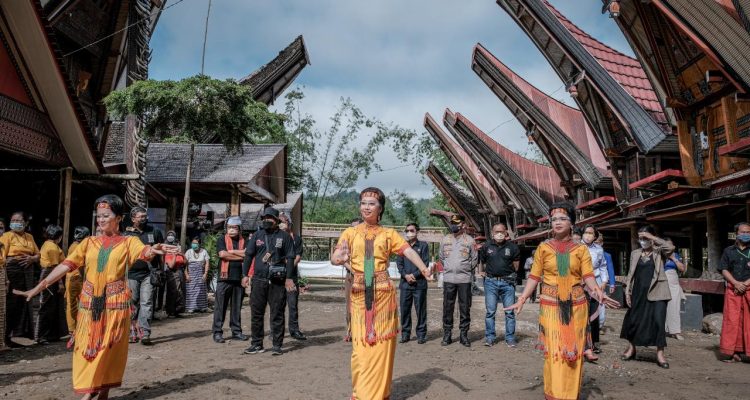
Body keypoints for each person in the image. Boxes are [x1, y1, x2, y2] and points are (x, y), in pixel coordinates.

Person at [13, 194, 176, 400]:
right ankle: (91, 389)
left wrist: (154, 248)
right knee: (87, 348)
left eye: (105, 215)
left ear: (118, 218)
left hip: (115, 305)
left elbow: (144, 252)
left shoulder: (128, 242)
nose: (100, 220)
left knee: (109, 349)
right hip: (89, 305)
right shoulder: (88, 243)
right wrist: (40, 286)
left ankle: (101, 392)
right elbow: (66, 265)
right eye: (98, 216)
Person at [504, 202, 617, 400]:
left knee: (573, 352)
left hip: (577, 305)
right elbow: (534, 277)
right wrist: (522, 297)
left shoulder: (581, 250)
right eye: (554, 219)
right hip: (550, 305)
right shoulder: (543, 248)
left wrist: (598, 291)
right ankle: (554, 395)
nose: (557, 222)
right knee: (555, 352)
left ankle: (570, 395)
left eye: (562, 218)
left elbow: (588, 276)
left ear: (572, 223)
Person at [331, 187, 431, 400]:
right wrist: (337, 258)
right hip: (359, 292)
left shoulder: (388, 234)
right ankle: (361, 394)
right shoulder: (350, 233)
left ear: (380, 208)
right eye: (363, 202)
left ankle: (377, 395)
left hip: (383, 294)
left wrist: (424, 269)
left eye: (371, 203)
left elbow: (408, 251)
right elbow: (336, 255)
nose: (366, 207)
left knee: (381, 347)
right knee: (360, 349)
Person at [241, 208, 296, 355]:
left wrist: (289, 278)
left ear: (276, 220)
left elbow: (290, 258)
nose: (267, 220)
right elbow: (248, 255)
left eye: (270, 218)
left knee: (277, 313)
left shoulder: (284, 237)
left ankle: (277, 345)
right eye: (265, 218)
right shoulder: (257, 235)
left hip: (277, 281)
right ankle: (257, 344)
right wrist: (245, 274)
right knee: (256, 313)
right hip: (258, 280)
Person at [620, 225, 674, 369]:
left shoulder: (659, 252)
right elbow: (630, 273)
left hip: (658, 292)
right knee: (633, 320)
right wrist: (627, 292)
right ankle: (631, 348)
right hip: (638, 292)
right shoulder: (635, 253)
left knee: (658, 320)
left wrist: (653, 238)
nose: (643, 240)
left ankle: (660, 354)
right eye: (641, 238)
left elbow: (670, 247)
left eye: (645, 237)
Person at [123, 207, 163, 345]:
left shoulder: (155, 231)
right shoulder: (127, 235)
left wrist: (161, 270)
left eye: (145, 216)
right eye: (141, 216)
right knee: (131, 304)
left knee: (146, 303)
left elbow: (160, 251)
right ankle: (131, 332)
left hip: (149, 274)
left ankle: (145, 333)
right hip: (131, 274)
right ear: (133, 218)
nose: (144, 218)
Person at [1, 211, 41, 347]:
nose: (15, 223)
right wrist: (5, 278)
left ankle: (14, 336)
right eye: (13, 220)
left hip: (27, 273)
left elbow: (38, 254)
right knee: (9, 305)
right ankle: (4, 337)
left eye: (18, 220)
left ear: (25, 223)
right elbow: (2, 258)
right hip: (12, 273)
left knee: (23, 304)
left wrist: (33, 258)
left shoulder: (29, 237)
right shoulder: (6, 236)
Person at [478, 223, 520, 347]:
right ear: (492, 233)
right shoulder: (486, 246)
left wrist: (507, 273)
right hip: (491, 282)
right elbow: (483, 262)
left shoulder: (513, 247)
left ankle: (510, 338)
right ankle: (490, 337)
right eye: (497, 232)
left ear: (506, 233)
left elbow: (516, 265)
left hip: (507, 283)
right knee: (490, 311)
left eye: (502, 231)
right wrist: (488, 273)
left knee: (510, 312)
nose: (499, 234)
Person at [439, 214, 477, 347]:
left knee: (465, 307)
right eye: (452, 223)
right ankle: (447, 334)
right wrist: (450, 268)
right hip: (449, 279)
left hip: (464, 280)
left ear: (463, 225)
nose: (454, 225)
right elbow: (442, 258)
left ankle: (463, 335)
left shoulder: (470, 241)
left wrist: (463, 269)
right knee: (447, 307)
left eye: (457, 223)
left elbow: (474, 260)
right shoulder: (445, 240)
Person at [212, 216, 249, 343]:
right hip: (224, 279)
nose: (231, 230)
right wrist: (240, 255)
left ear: (239, 229)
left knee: (236, 307)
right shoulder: (222, 239)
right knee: (220, 307)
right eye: (229, 227)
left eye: (234, 227)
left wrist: (231, 252)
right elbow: (222, 254)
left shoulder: (245, 241)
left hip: (238, 278)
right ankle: (217, 332)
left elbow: (248, 254)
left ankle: (236, 331)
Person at [717, 222, 750, 362]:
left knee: (748, 321)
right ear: (736, 233)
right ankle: (733, 352)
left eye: (748, 232)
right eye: (743, 232)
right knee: (732, 321)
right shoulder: (728, 251)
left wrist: (746, 284)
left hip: (749, 288)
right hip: (733, 290)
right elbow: (724, 269)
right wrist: (736, 283)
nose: (746, 234)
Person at [396, 222, 430, 344]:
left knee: (420, 309)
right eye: (407, 230)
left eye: (411, 230)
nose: (409, 233)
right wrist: (405, 275)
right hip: (405, 284)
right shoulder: (402, 246)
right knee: (405, 310)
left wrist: (414, 275)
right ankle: (405, 334)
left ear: (417, 231)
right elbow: (399, 264)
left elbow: (425, 263)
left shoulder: (424, 246)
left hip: (419, 284)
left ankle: (421, 334)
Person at [36, 224, 66, 344]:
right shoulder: (53, 247)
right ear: (58, 236)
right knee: (46, 306)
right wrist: (60, 284)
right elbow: (55, 266)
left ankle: (51, 334)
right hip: (51, 275)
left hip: (48, 274)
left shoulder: (46, 244)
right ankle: (40, 336)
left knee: (53, 306)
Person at [279, 213, 307, 341]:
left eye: (284, 221)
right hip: (277, 276)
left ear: (290, 223)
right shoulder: (275, 237)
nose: (282, 223)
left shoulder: (297, 239)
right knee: (277, 305)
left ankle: (294, 330)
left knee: (292, 304)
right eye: (280, 221)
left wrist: (288, 268)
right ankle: (276, 331)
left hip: (292, 276)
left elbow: (297, 257)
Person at [581, 224, 607, 359]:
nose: (588, 235)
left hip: (595, 283)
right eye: (586, 232)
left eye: (591, 233)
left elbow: (603, 266)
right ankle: (582, 345)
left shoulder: (599, 249)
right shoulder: (576, 247)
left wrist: (604, 281)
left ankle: (592, 344)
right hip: (579, 284)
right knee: (581, 315)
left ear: (595, 236)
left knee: (594, 315)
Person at [66, 227, 90, 335]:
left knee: (74, 304)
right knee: (75, 304)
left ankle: (76, 328)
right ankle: (74, 329)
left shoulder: (74, 245)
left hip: (74, 277)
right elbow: (80, 265)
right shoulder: (77, 247)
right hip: (77, 278)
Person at [344, 217, 363, 342]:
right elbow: (342, 260)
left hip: (366, 276)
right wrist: (354, 271)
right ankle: (350, 330)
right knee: (349, 305)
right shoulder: (347, 242)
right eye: (352, 227)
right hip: (351, 276)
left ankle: (363, 331)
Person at [663, 237, 686, 341]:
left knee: (674, 306)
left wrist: (673, 258)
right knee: (660, 306)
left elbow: (682, 269)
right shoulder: (659, 255)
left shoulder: (676, 255)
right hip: (661, 281)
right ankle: (661, 330)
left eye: (670, 245)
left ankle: (675, 331)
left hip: (673, 281)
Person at [595, 234, 616, 330]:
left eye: (597, 242)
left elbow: (610, 269)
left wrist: (612, 283)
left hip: (601, 280)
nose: (596, 244)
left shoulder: (606, 255)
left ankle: (600, 323)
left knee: (601, 300)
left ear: (602, 243)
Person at [164, 231, 186, 318]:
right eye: (169, 235)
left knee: (181, 291)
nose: (170, 237)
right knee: (173, 292)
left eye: (172, 235)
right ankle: (171, 311)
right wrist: (174, 255)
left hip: (180, 271)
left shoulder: (178, 247)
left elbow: (185, 263)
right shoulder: (166, 250)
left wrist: (182, 254)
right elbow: (171, 265)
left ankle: (178, 310)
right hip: (172, 272)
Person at [184, 237, 209, 313]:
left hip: (200, 274)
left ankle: (202, 307)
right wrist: (186, 275)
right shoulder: (188, 252)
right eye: (193, 243)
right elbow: (185, 264)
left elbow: (207, 263)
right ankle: (191, 307)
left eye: (196, 243)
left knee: (201, 290)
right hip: (191, 275)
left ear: (199, 244)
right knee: (191, 291)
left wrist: (205, 273)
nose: (194, 245)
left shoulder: (204, 252)